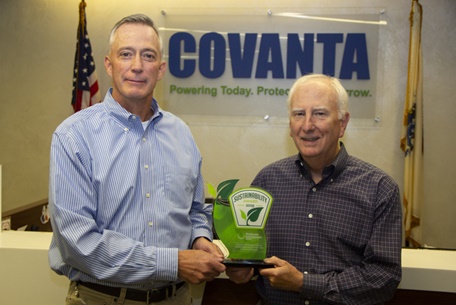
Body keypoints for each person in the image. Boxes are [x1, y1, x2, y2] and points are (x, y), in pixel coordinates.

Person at [48, 14, 225, 305]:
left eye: (148, 56)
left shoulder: (181, 133)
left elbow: (195, 211)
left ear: (161, 68)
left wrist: (200, 239)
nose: (137, 66)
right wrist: (175, 262)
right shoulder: (73, 136)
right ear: (109, 64)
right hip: (101, 298)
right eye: (126, 54)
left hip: (176, 297)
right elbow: (77, 243)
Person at [227, 74, 402, 305]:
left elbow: (384, 278)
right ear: (290, 125)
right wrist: (242, 270)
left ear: (343, 123)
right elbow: (251, 254)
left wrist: (303, 283)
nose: (307, 126)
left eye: (319, 113)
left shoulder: (379, 189)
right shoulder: (267, 181)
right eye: (299, 114)